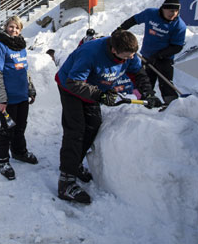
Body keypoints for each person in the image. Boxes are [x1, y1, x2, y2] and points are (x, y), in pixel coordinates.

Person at [55, 29, 159, 204]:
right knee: (76, 130)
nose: (128, 60)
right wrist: (101, 95)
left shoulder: (129, 54)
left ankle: (75, 164)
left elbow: (138, 73)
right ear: (113, 50)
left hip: (93, 88)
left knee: (94, 125)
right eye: (125, 57)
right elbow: (74, 82)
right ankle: (66, 182)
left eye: (131, 56)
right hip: (70, 87)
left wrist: (148, 92)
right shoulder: (90, 52)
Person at [0, 16, 37, 180]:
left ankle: (19, 151)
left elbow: (25, 70)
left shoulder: (21, 46)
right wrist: (1, 98)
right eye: (11, 26)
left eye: (17, 28)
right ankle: (1, 158)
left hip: (21, 95)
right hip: (7, 98)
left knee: (21, 126)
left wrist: (30, 88)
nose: (14, 30)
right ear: (6, 27)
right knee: (7, 129)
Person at [116, 0, 187, 104]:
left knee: (166, 84)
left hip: (164, 59)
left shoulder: (179, 26)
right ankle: (145, 102)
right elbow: (134, 20)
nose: (173, 13)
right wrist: (120, 29)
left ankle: (171, 105)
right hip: (147, 56)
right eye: (171, 10)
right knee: (145, 81)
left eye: (176, 11)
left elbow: (177, 46)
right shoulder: (150, 13)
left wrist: (158, 56)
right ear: (163, 8)